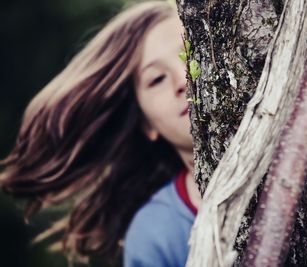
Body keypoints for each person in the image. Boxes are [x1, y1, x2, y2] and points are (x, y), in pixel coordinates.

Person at [0, 1, 201, 266]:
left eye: (189, 55)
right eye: (156, 79)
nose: (181, 78)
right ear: (146, 125)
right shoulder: (155, 232)